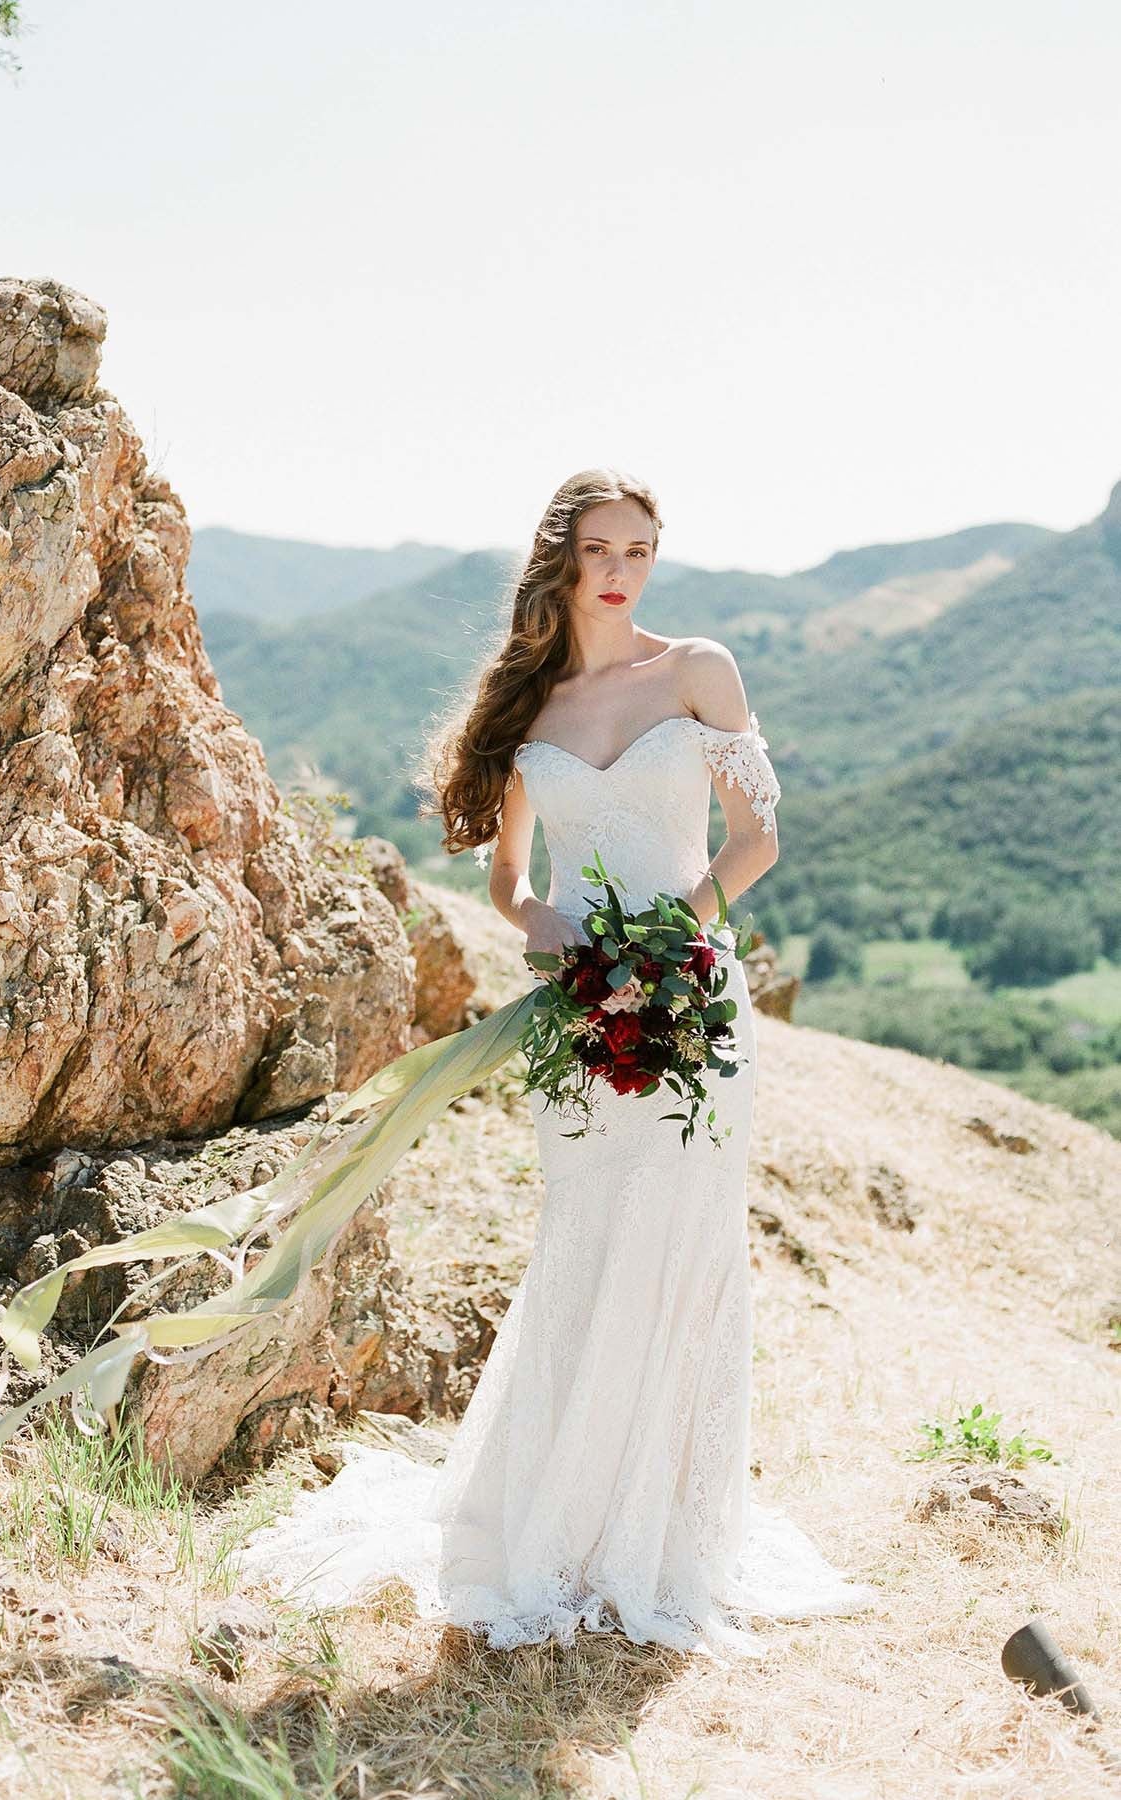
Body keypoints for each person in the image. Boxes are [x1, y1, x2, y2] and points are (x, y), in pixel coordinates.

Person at [231, 468, 880, 1661]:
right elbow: (506, 882)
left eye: (638, 546)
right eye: (599, 548)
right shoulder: (528, 709)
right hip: (582, 1016)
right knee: (584, 1239)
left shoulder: (698, 670)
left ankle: (663, 1536)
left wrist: (664, 942)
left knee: (681, 1239)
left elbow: (756, 839)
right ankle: (555, 1515)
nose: (621, 567)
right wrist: (555, 938)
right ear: (562, 560)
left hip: (690, 998)